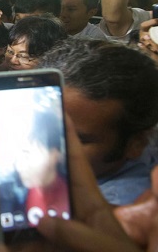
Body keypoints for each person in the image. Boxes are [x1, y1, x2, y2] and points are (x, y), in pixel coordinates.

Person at [0, 116, 144, 252]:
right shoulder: (15, 193)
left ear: (56, 153)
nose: (20, 159)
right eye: (21, 149)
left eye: (31, 148)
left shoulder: (118, 208)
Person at [39, 38, 158, 205]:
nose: (45, 147)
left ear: (136, 144)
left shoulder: (118, 213)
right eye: (41, 126)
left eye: (74, 140)